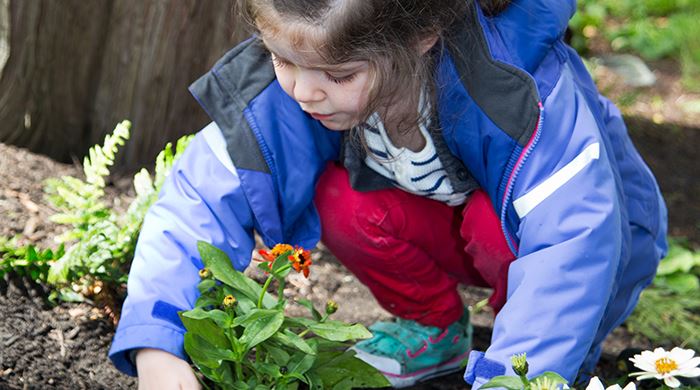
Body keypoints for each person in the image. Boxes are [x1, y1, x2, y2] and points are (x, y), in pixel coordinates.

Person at [108, 0, 668, 389]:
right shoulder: (314, 63)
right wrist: (157, 342)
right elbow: (200, 197)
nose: (303, 91)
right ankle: (437, 331)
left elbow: (573, 243)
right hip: (454, 226)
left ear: (422, 35)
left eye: (338, 74)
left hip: (596, 249)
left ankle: (510, 348)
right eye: (282, 61)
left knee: (492, 227)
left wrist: (524, 378)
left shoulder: (517, 90)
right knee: (341, 199)